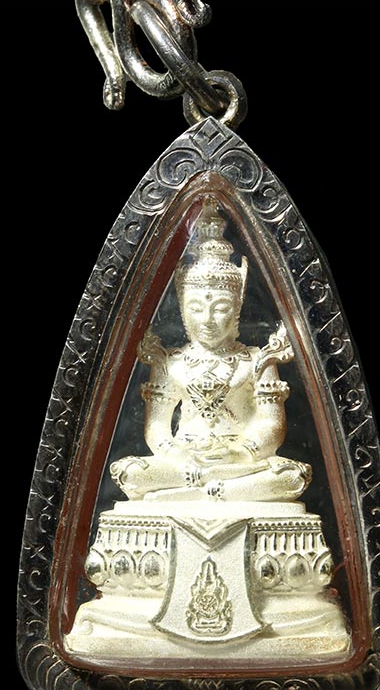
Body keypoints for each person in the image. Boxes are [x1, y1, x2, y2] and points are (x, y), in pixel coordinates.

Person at [110, 197, 311, 502]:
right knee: (130, 473)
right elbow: (157, 429)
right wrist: (179, 456)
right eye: (195, 308)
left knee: (292, 476)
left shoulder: (257, 360)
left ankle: (201, 491)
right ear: (182, 311)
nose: (207, 319)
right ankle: (214, 490)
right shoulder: (169, 362)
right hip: (184, 463)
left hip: (240, 464)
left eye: (220, 308)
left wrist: (241, 452)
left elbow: (271, 425)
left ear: (237, 308)